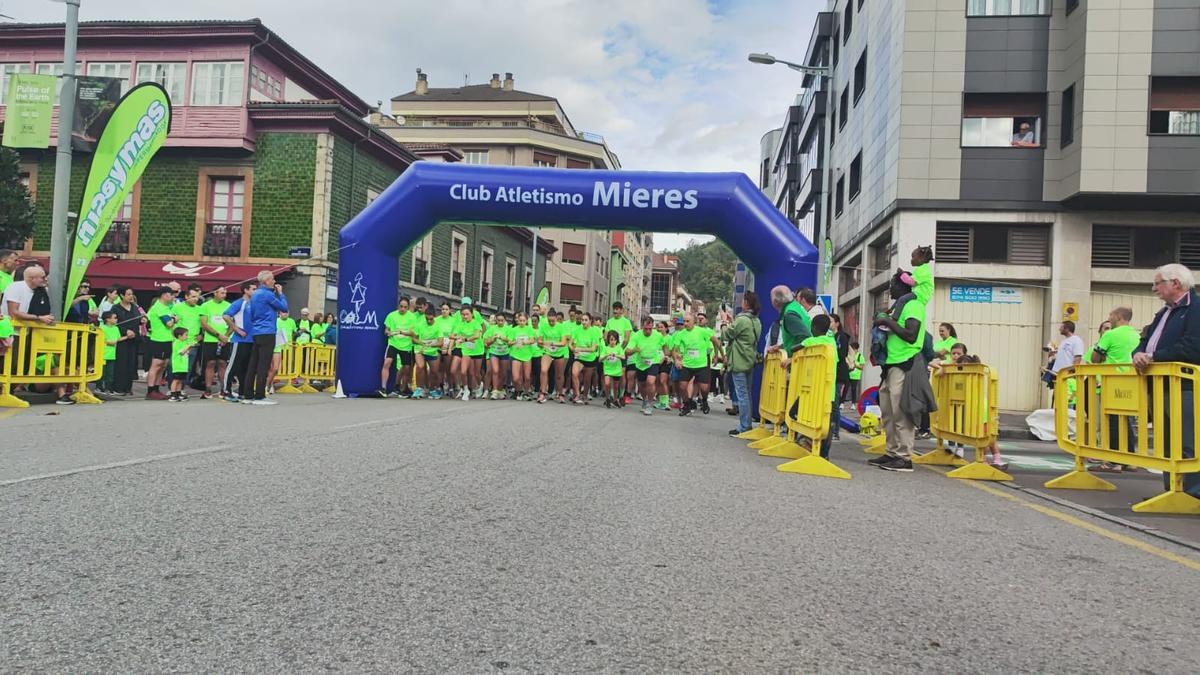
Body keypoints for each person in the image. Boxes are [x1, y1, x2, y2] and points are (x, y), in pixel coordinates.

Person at [1134, 264, 1199, 498]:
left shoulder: (1195, 309)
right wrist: (1138, 353)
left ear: (1176, 283)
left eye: (1158, 283)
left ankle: (1192, 493)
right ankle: (1172, 490)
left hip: (1185, 386)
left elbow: (1192, 347)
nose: (1154, 289)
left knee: (1187, 440)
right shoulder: (1164, 312)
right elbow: (1145, 339)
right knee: (1167, 441)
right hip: (1161, 385)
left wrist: (1153, 357)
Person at [870, 271, 930, 472]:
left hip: (905, 363)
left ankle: (904, 457)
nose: (890, 290)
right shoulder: (899, 306)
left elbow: (911, 335)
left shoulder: (913, 305)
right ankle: (891, 452)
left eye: (893, 285)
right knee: (888, 412)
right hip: (890, 364)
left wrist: (887, 322)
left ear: (903, 286)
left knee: (900, 412)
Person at [1088, 307, 1141, 473]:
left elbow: (1094, 358)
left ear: (1118, 317)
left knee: (1112, 422)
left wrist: (1103, 356)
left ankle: (1112, 462)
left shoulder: (1110, 335)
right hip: (1132, 382)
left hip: (1112, 381)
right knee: (1128, 421)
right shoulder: (1136, 335)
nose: (1109, 318)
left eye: (1111, 315)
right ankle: (1129, 460)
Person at [243, 271, 288, 405]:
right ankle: (260, 396)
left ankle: (248, 395)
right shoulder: (268, 295)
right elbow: (284, 308)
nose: (274, 282)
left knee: (253, 364)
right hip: (267, 331)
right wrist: (281, 294)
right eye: (272, 279)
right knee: (264, 364)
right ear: (266, 281)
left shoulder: (255, 294)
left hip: (256, 331)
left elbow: (251, 313)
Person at [800, 314, 840, 459]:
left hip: (813, 389)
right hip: (829, 390)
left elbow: (796, 349)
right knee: (827, 421)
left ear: (813, 328)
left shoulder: (810, 341)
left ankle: (808, 444)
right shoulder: (831, 342)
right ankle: (824, 454)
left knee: (806, 415)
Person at [724, 291, 763, 436]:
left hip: (739, 359)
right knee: (747, 393)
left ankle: (744, 426)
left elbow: (727, 334)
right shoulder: (756, 321)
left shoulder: (742, 320)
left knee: (742, 394)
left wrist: (724, 323)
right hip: (750, 359)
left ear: (746, 303)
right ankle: (747, 423)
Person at [221, 282, 256, 402]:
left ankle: (243, 392)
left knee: (246, 368)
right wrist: (237, 329)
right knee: (232, 366)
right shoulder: (239, 303)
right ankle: (226, 391)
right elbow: (226, 316)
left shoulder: (255, 303)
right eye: (253, 289)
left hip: (252, 340)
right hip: (239, 340)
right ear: (246, 290)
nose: (255, 291)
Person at [626, 316, 666, 416]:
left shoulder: (658, 335)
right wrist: (634, 350)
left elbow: (665, 346)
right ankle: (644, 400)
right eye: (645, 328)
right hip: (641, 363)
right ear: (642, 326)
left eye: (650, 328)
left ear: (653, 326)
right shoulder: (636, 336)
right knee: (642, 385)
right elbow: (627, 351)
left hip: (654, 361)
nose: (648, 331)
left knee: (650, 381)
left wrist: (666, 356)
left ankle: (649, 404)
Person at [143, 287, 177, 401]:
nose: (172, 297)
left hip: (167, 339)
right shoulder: (159, 307)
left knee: (163, 365)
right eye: (171, 294)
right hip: (159, 340)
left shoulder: (167, 307)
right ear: (164, 295)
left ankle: (156, 389)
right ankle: (150, 390)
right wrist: (175, 319)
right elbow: (169, 323)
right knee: (156, 365)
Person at [199, 286, 231, 399]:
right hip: (210, 339)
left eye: (225, 293)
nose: (224, 295)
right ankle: (208, 389)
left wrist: (225, 336)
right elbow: (204, 324)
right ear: (215, 293)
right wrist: (218, 335)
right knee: (210, 363)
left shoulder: (228, 305)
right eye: (222, 293)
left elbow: (233, 323)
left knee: (223, 363)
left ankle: (224, 389)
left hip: (225, 340)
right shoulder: (205, 306)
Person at [380, 297, 413, 398]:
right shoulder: (391, 315)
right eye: (401, 306)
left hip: (406, 346)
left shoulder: (412, 317)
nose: (402, 309)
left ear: (408, 307)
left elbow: (414, 333)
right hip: (393, 343)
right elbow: (386, 330)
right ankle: (383, 388)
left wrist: (403, 332)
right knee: (387, 362)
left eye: (405, 307)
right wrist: (388, 333)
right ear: (398, 306)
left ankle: (402, 388)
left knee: (406, 368)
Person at [604, 302, 634, 403]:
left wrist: (619, 350)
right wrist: (609, 349)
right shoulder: (609, 322)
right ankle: (613, 395)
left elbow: (626, 339)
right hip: (611, 353)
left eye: (617, 309)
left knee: (621, 374)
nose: (615, 311)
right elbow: (605, 336)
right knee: (611, 374)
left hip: (621, 353)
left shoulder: (626, 322)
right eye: (614, 309)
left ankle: (621, 395)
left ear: (621, 310)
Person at [1045, 320, 1084, 397]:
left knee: (1066, 399)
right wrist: (1052, 355)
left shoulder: (1076, 340)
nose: (1059, 329)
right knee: (1058, 399)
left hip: (1067, 376)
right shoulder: (1063, 341)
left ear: (1067, 329)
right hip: (1058, 375)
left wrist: (1072, 373)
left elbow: (1078, 358)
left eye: (1061, 327)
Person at [569, 312, 601, 405]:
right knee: (574, 373)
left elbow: (593, 348)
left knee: (587, 380)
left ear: (590, 321)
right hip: (579, 357)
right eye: (582, 320)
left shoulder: (594, 332)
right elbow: (570, 343)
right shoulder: (577, 330)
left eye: (586, 320)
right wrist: (573, 349)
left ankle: (585, 396)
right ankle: (577, 395)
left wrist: (580, 349)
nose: (583, 322)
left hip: (590, 358)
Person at [538, 309, 569, 404]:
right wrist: (545, 343)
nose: (551, 323)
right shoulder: (543, 326)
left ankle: (560, 394)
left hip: (559, 353)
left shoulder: (561, 327)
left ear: (556, 319)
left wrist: (552, 343)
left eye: (553, 321)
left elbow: (563, 343)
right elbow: (539, 341)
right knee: (544, 370)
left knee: (559, 375)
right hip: (547, 352)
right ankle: (543, 393)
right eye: (549, 321)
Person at [411, 307, 442, 399]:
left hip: (432, 351)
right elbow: (413, 339)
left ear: (434, 317)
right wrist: (421, 343)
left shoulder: (438, 326)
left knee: (434, 371)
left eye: (431, 319)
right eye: (427, 319)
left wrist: (431, 345)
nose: (429, 321)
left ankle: (432, 390)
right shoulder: (419, 324)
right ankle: (419, 389)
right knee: (420, 366)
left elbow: (441, 342)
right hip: (420, 349)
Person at [509, 312, 536, 400]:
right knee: (516, 377)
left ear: (526, 321)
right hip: (516, 354)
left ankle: (526, 392)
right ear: (517, 320)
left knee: (527, 377)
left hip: (527, 355)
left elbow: (532, 340)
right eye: (520, 320)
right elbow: (509, 342)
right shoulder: (513, 330)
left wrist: (525, 342)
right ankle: (518, 390)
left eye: (523, 321)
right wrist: (515, 342)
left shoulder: (529, 329)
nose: (521, 322)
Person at [484, 312, 511, 400]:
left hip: (504, 352)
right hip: (494, 352)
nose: (500, 322)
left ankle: (500, 389)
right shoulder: (492, 329)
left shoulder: (508, 329)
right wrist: (493, 339)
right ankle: (495, 391)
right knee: (495, 370)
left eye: (502, 320)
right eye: (498, 320)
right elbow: (486, 341)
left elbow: (511, 341)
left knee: (503, 373)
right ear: (496, 320)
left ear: (505, 320)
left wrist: (503, 338)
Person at [600, 330, 625, 408]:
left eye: (614, 340)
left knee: (616, 386)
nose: (613, 342)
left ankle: (615, 400)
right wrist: (606, 355)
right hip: (608, 369)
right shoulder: (605, 348)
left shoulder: (619, 348)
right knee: (607, 383)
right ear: (608, 340)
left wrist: (615, 355)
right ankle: (608, 398)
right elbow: (600, 359)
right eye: (611, 339)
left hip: (617, 369)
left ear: (617, 340)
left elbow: (623, 357)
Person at [168, 326, 192, 402]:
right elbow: (181, 352)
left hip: (183, 365)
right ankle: (173, 394)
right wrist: (188, 346)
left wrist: (189, 348)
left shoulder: (184, 342)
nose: (187, 336)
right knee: (176, 380)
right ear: (179, 336)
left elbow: (187, 352)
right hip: (178, 365)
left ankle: (178, 393)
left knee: (180, 380)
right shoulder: (176, 343)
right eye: (186, 335)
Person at [846, 341, 864, 409]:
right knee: (845, 389)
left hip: (855, 376)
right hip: (848, 374)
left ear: (856, 349)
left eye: (853, 349)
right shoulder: (849, 356)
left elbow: (862, 367)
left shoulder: (860, 356)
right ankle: (841, 403)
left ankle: (853, 404)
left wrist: (855, 365)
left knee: (853, 390)